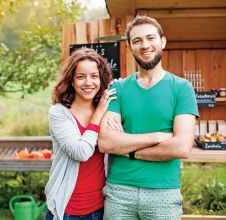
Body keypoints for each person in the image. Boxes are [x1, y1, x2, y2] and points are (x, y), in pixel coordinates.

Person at [98, 15, 199, 220]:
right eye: (137, 40)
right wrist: (157, 136)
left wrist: (128, 149)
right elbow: (106, 142)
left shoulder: (181, 88)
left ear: (162, 41)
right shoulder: (118, 88)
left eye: (150, 38)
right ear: (130, 46)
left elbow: (181, 147)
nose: (145, 45)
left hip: (163, 193)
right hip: (119, 192)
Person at [44, 48, 116, 220]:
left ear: (101, 79)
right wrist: (98, 114)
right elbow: (81, 152)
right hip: (67, 209)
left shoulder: (108, 110)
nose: (88, 82)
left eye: (94, 76)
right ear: (72, 81)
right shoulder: (59, 113)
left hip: (99, 208)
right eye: (81, 76)